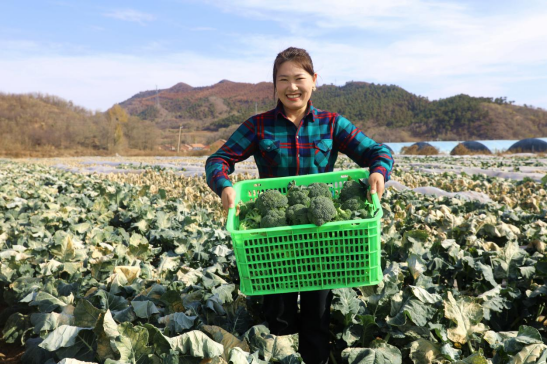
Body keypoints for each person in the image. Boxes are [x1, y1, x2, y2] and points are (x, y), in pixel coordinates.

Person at [205, 47, 394, 364]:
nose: (292, 87)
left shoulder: (332, 125)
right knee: (278, 320)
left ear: (314, 81)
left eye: (299, 78)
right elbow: (218, 160)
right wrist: (224, 185)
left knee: (316, 320)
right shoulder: (258, 126)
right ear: (275, 85)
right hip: (274, 238)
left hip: (320, 238)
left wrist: (378, 171)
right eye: (283, 80)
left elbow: (379, 152)